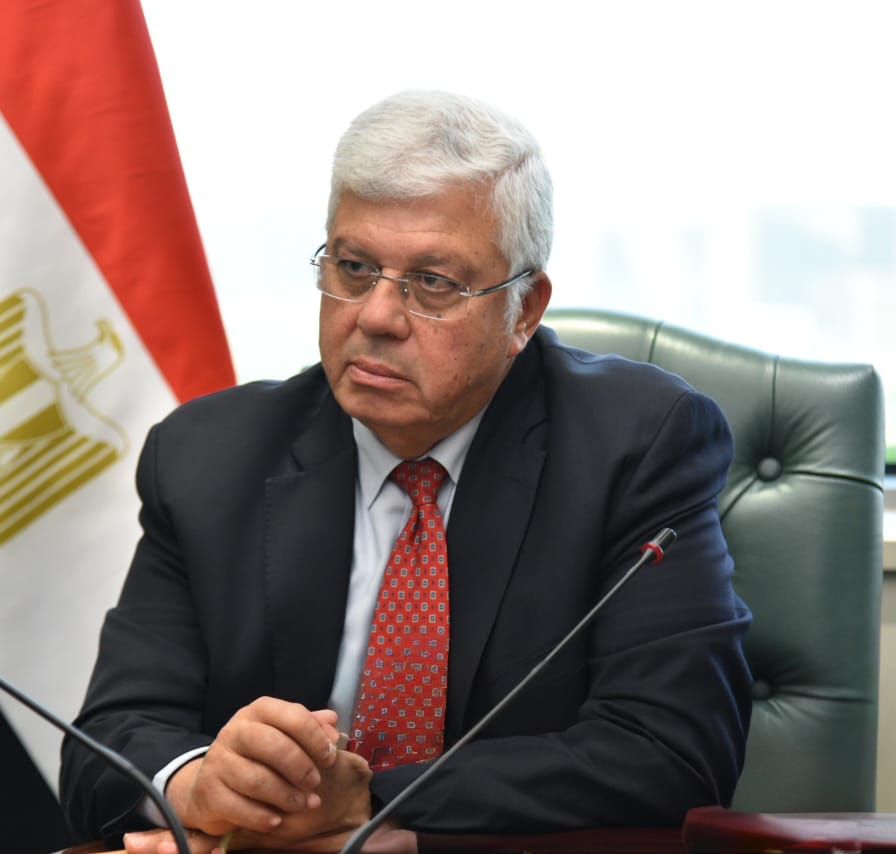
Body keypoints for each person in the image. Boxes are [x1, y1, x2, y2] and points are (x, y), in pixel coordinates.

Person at [59, 90, 752, 853]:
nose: (377, 316)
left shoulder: (636, 446)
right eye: (354, 268)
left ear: (524, 309)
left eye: (433, 283)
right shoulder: (208, 456)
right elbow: (104, 745)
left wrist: (370, 807)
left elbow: (671, 752)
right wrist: (202, 786)